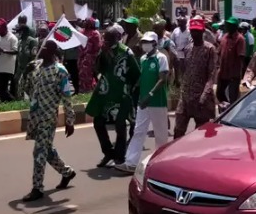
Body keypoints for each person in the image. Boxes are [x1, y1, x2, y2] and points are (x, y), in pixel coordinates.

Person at [22, 39, 77, 202]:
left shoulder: (60, 71)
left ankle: (37, 188)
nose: (40, 50)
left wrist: (70, 120)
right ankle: (67, 172)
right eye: (41, 47)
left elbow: (67, 97)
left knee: (39, 152)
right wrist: (26, 72)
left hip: (48, 117)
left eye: (44, 48)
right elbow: (25, 90)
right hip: (35, 116)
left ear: (52, 51)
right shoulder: (36, 66)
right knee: (47, 150)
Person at [86, 26, 140, 168]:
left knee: (120, 126)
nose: (107, 41)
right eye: (106, 39)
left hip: (122, 93)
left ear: (118, 38)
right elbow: (97, 69)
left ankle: (119, 156)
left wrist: (132, 93)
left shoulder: (126, 52)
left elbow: (136, 74)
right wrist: (101, 55)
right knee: (98, 122)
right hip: (105, 92)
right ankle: (108, 152)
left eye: (110, 39)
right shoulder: (103, 50)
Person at [118, 32, 170, 174]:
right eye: (143, 42)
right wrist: (136, 86)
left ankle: (162, 163)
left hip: (157, 102)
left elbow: (162, 79)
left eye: (147, 42)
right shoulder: (143, 59)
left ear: (154, 43)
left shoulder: (161, 58)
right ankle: (130, 163)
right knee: (138, 131)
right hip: (143, 102)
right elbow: (143, 76)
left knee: (160, 134)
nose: (144, 44)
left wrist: (150, 95)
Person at [174, 18, 219, 139]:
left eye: (197, 31)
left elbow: (211, 75)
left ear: (203, 31)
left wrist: (204, 95)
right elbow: (185, 71)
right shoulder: (188, 48)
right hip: (186, 96)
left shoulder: (210, 49)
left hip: (201, 98)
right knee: (178, 130)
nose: (195, 34)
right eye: (193, 31)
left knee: (201, 134)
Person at [215, 18, 247, 105]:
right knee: (219, 94)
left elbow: (241, 57)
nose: (228, 26)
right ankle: (225, 111)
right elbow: (219, 52)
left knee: (233, 97)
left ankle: (231, 113)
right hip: (223, 73)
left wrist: (239, 73)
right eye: (228, 24)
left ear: (235, 26)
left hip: (233, 75)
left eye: (231, 25)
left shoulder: (240, 39)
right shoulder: (225, 37)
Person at [0, 19, 18, 102]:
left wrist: (3, 51)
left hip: (7, 67)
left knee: (3, 89)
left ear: (5, 28)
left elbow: (15, 51)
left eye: (0, 30)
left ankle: (13, 102)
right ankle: (5, 102)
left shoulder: (12, 38)